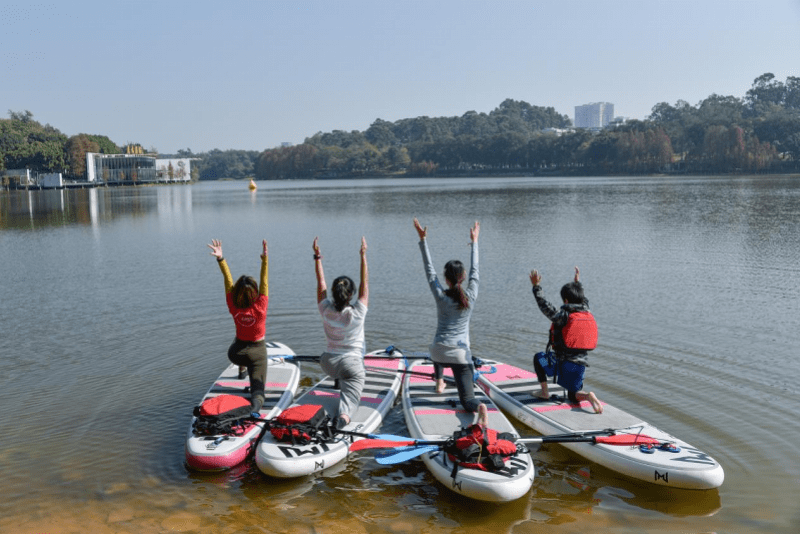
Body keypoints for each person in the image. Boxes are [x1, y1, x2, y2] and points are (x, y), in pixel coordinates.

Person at [414, 218, 488, 428]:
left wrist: (423, 240)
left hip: (437, 353)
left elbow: (429, 271)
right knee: (467, 400)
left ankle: (439, 382)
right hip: (460, 355)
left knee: (438, 346)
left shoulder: (440, 295)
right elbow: (476, 270)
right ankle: (479, 408)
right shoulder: (471, 296)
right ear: (463, 277)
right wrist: (475, 242)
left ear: (446, 279)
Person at [313, 236, 369, 430]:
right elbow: (365, 283)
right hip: (350, 365)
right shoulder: (358, 312)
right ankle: (342, 419)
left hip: (327, 363)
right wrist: (363, 255)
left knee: (346, 363)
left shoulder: (325, 309)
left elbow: (321, 284)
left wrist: (317, 258)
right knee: (350, 399)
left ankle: (338, 383)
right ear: (351, 295)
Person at [529, 267, 603, 414]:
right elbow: (583, 299)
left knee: (538, 358)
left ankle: (544, 392)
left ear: (566, 300)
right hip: (580, 365)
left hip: (561, 363)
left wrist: (536, 286)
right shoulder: (586, 311)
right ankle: (589, 396)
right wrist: (578, 283)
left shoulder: (564, 316)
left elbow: (544, 305)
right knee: (573, 395)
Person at [207, 238, 269, 412]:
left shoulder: (232, 304)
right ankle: (254, 408)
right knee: (258, 390)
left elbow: (228, 279)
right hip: (257, 353)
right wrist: (265, 260)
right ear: (255, 292)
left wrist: (221, 258)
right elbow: (265, 280)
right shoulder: (261, 306)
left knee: (240, 337)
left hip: (235, 353)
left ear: (236, 293)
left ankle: (242, 370)